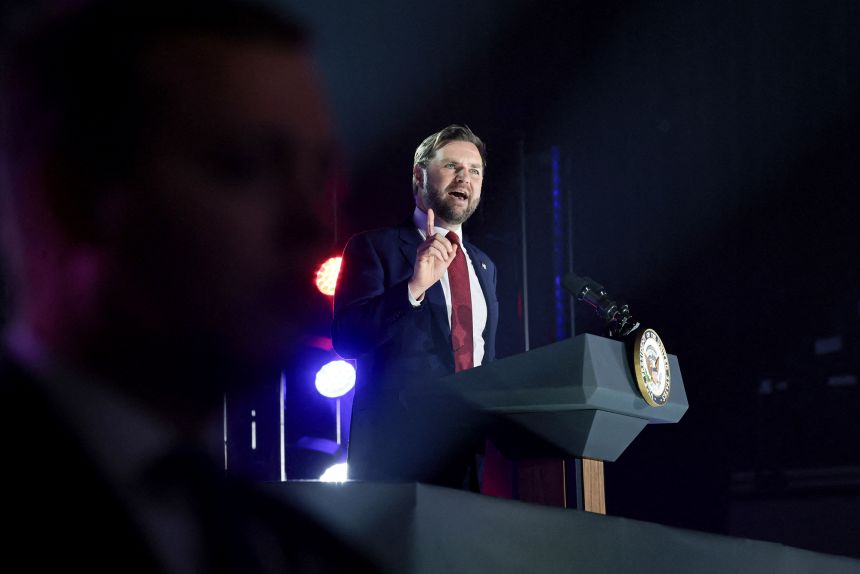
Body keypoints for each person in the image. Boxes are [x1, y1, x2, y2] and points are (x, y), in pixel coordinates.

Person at [0, 1, 377, 571]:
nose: (312, 221)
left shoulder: (309, 555)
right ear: (75, 199)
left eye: (321, 172)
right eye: (243, 165)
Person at [332, 125, 499, 487]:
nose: (465, 178)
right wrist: (413, 288)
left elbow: (486, 361)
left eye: (474, 171)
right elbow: (347, 340)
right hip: (396, 457)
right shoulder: (374, 248)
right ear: (419, 175)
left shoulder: (484, 266)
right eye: (452, 166)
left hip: (469, 453)